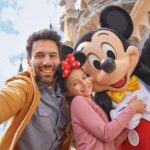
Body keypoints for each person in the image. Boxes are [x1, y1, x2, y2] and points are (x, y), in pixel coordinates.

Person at [57, 53, 146, 150]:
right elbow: (106, 134)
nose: (84, 83)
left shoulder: (91, 103)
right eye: (75, 83)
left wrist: (128, 126)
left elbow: (111, 143)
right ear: (68, 93)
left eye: (84, 77)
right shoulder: (78, 102)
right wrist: (131, 109)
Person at [0, 29, 70, 150]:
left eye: (52, 55)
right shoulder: (25, 86)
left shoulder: (66, 95)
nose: (47, 62)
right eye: (39, 55)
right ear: (28, 61)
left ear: (59, 60)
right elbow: (7, 97)